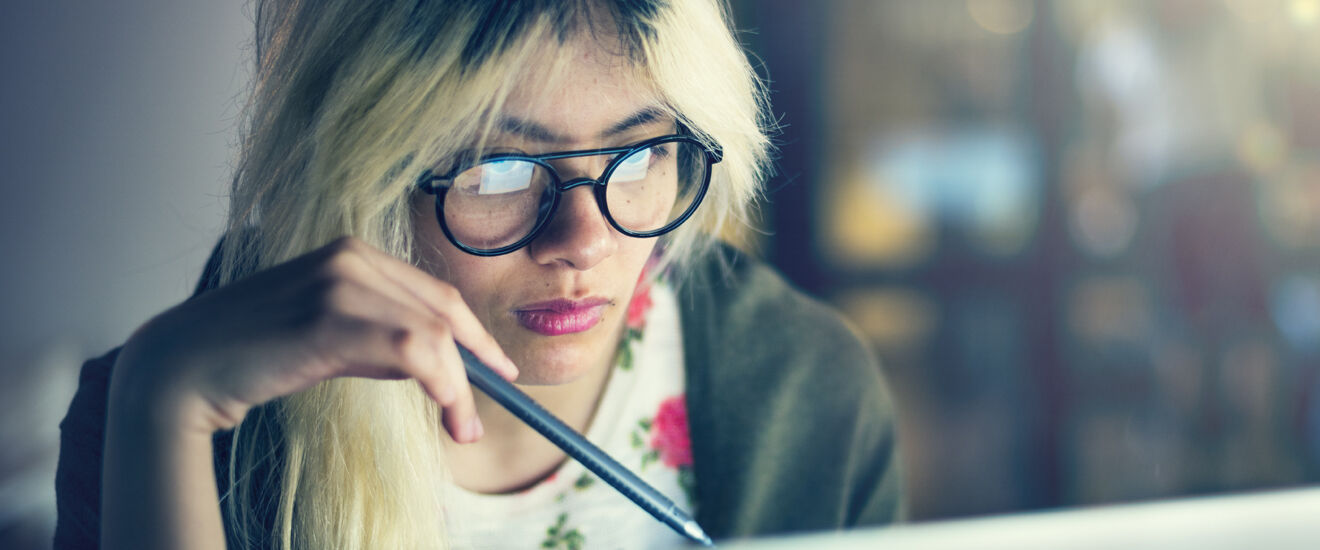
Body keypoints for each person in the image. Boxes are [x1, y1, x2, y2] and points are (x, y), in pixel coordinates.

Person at [54, 1, 905, 548]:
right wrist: (162, 400)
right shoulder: (157, 420)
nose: (582, 239)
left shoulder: (810, 386)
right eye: (498, 169)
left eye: (644, 152)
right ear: (365, 173)